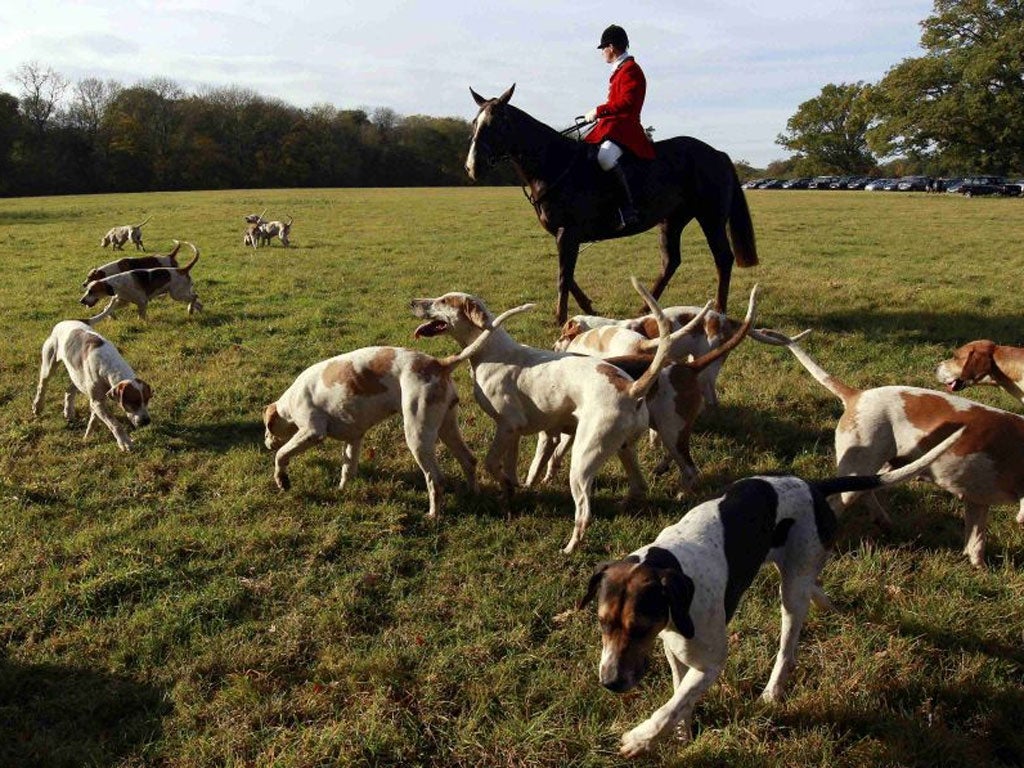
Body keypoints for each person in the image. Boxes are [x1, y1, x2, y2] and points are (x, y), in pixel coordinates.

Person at [584, 24, 655, 230]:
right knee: (585, 152)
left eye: (603, 48)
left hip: (626, 128)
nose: (602, 53)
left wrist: (599, 110)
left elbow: (626, 103)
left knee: (605, 157)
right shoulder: (620, 70)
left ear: (612, 47)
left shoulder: (631, 70)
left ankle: (627, 210)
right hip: (613, 126)